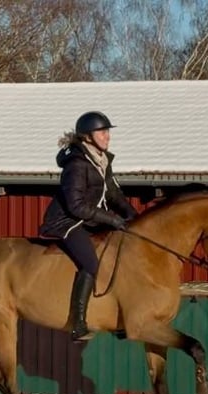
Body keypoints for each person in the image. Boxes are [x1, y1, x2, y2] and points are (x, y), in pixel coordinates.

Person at [39, 111, 138, 342]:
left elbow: (114, 195)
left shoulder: (102, 160)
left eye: (107, 132)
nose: (107, 136)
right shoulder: (76, 164)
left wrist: (134, 217)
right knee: (92, 263)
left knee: (118, 254)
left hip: (89, 220)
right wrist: (112, 220)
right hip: (67, 222)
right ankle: (78, 322)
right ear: (87, 137)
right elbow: (76, 206)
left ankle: (117, 317)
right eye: (102, 132)